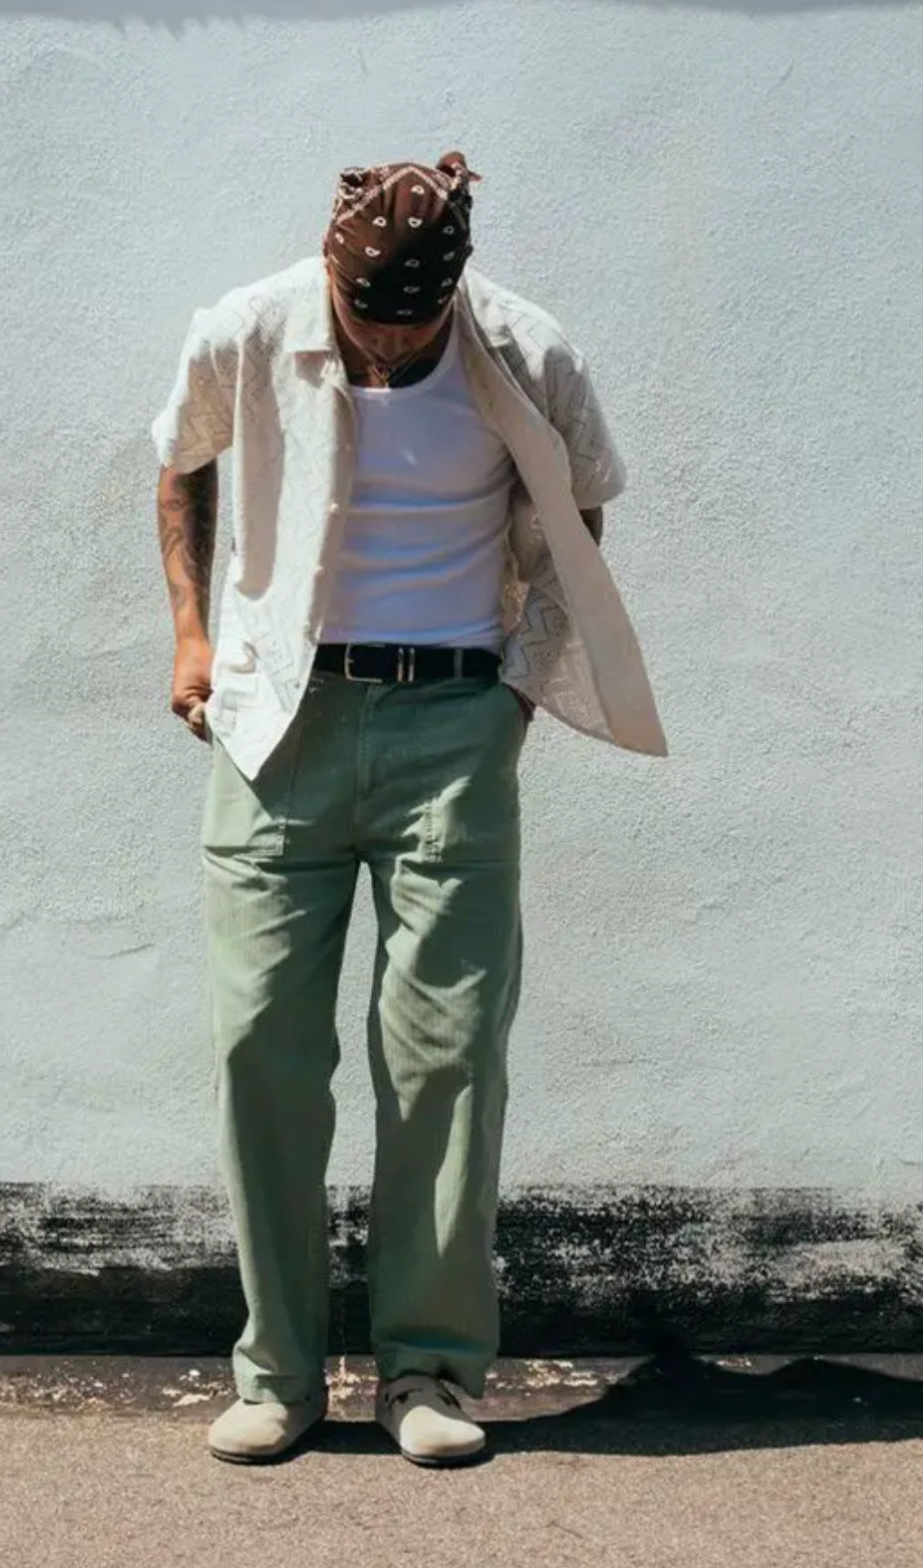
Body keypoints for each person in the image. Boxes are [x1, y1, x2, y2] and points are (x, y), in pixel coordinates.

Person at [151, 151, 666, 1467]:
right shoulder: (248, 327)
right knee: (260, 1041)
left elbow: (577, 512)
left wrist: (517, 692)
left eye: (412, 328)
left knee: (447, 1054)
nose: (383, 350)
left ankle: (428, 1372)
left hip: (451, 723)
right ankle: (279, 1375)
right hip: (280, 723)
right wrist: (193, 637)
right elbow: (182, 461)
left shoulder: (528, 353)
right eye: (364, 322)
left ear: (453, 293)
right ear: (330, 269)